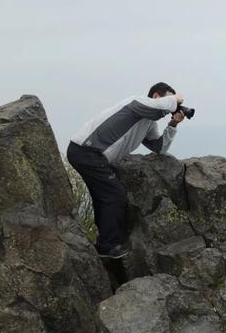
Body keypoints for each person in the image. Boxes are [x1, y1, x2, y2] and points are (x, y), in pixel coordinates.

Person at [66, 82, 186, 258]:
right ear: (156, 97)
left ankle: (104, 243)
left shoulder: (148, 122)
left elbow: (159, 147)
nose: (170, 108)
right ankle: (108, 246)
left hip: (92, 155)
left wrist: (173, 124)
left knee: (103, 197)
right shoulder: (136, 103)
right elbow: (162, 105)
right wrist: (176, 99)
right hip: (86, 151)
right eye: (168, 100)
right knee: (114, 195)